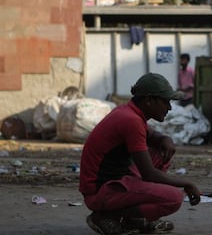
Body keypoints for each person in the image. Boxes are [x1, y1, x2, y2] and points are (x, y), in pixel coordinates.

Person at [79, 72, 201, 235]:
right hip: (100, 192)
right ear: (149, 100)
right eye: (165, 102)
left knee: (162, 150)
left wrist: (165, 138)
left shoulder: (130, 112)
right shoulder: (131, 120)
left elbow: (152, 136)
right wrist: (187, 184)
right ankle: (108, 215)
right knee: (173, 198)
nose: (169, 107)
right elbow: (149, 174)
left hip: (111, 181)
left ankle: (131, 218)